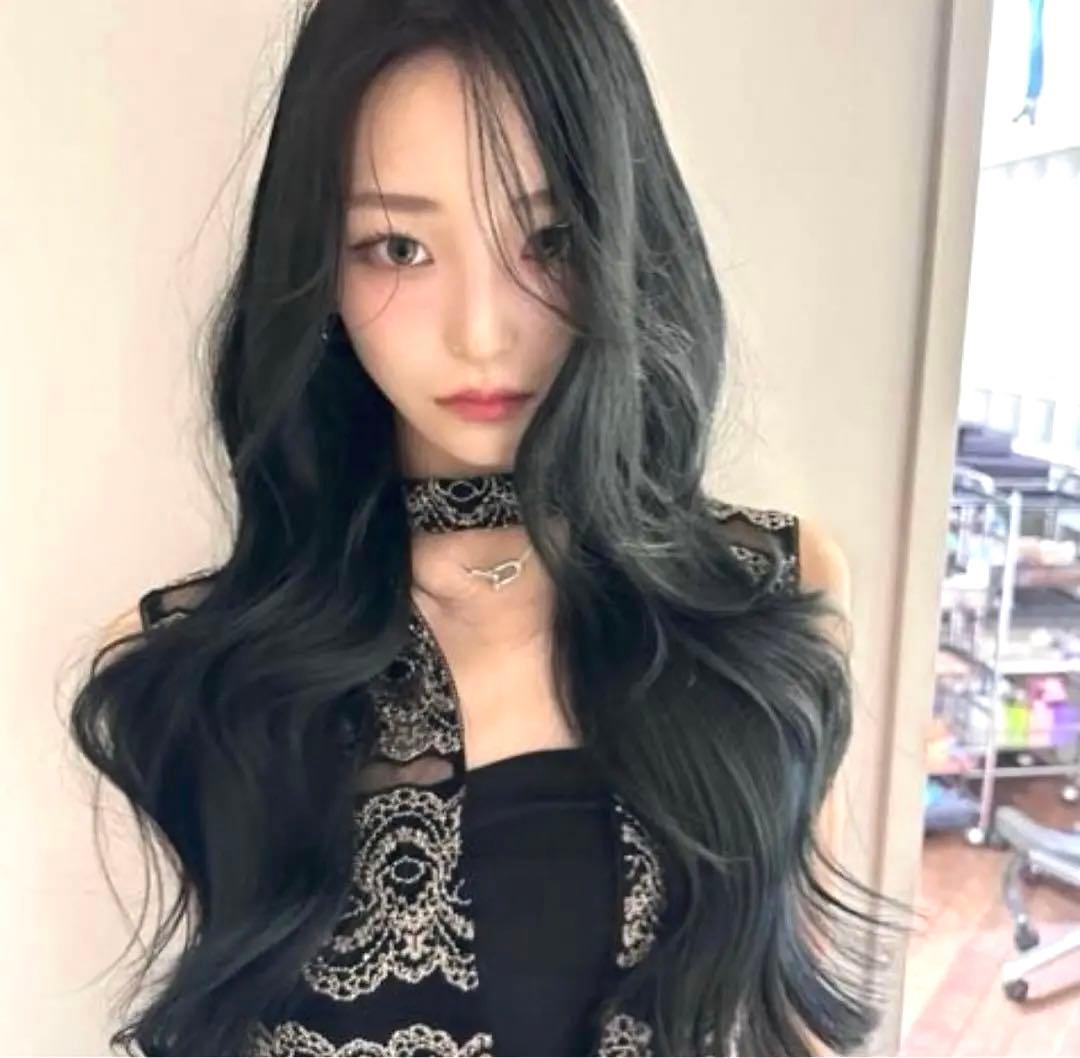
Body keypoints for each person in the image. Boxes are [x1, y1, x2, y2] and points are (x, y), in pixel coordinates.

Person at [71, 1, 904, 1055]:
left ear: (623, 238)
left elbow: (798, 1022)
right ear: (318, 267)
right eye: (399, 246)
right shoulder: (192, 669)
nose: (481, 329)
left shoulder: (767, 590)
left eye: (548, 240)